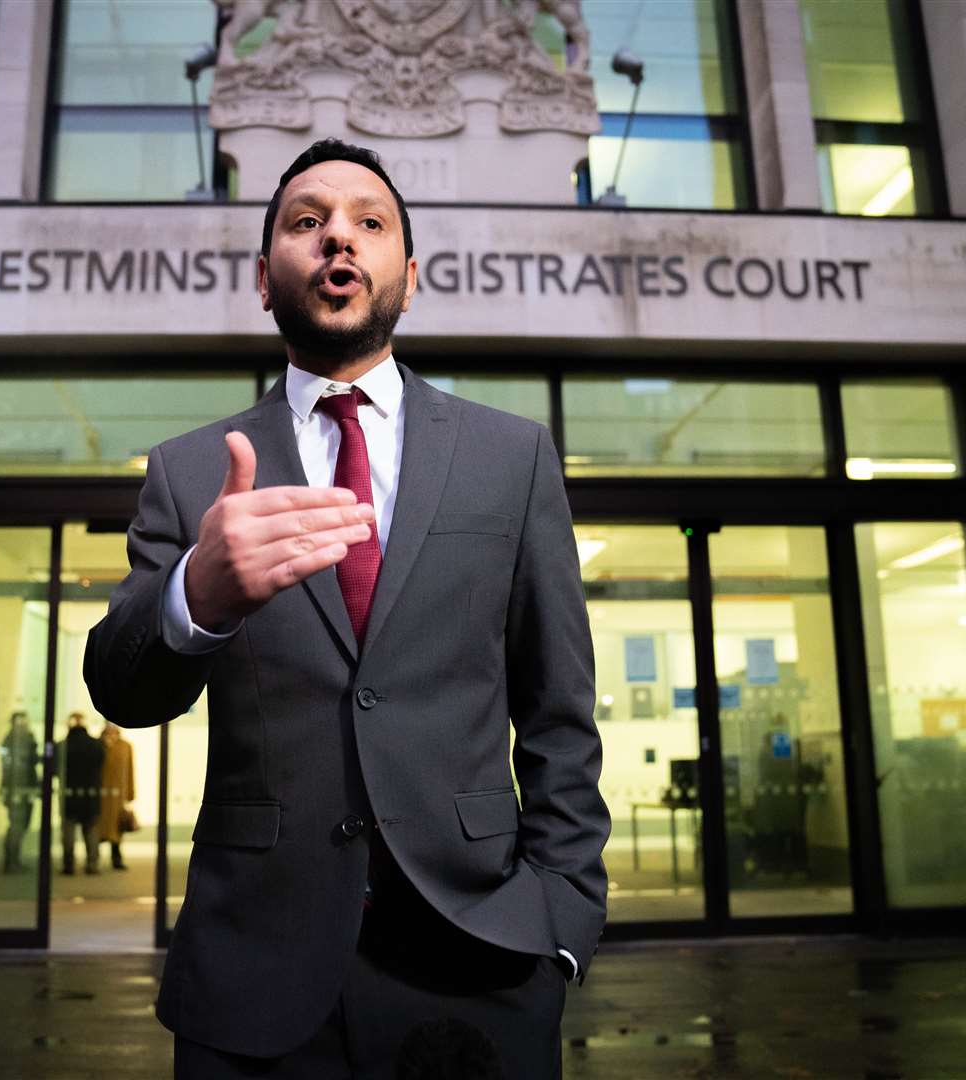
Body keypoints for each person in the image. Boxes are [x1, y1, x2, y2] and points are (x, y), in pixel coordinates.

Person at [85, 138, 608, 1079]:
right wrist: (193, 599)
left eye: (369, 223)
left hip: (481, 957)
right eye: (306, 221)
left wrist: (562, 916)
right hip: (254, 971)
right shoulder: (193, 470)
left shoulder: (511, 457)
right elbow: (121, 690)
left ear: (407, 273)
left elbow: (558, 707)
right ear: (263, 276)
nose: (339, 239)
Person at [56, 712, 106, 875]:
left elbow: (56, 769)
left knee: (68, 831)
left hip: (69, 795)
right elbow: (102, 765)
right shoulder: (96, 744)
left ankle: (68, 864)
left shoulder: (63, 745)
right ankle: (92, 863)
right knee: (91, 830)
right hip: (90, 795)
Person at [0, 710, 40, 874]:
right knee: (17, 825)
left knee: (19, 825)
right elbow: (19, 765)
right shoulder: (18, 740)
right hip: (19, 789)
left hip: (19, 789)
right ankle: (11, 862)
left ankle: (13, 860)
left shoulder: (16, 739)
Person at [95, 721, 135, 871]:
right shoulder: (97, 744)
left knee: (117, 829)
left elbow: (130, 770)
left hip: (118, 796)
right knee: (98, 827)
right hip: (101, 794)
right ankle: (94, 859)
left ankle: (116, 858)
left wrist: (131, 793)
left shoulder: (125, 746)